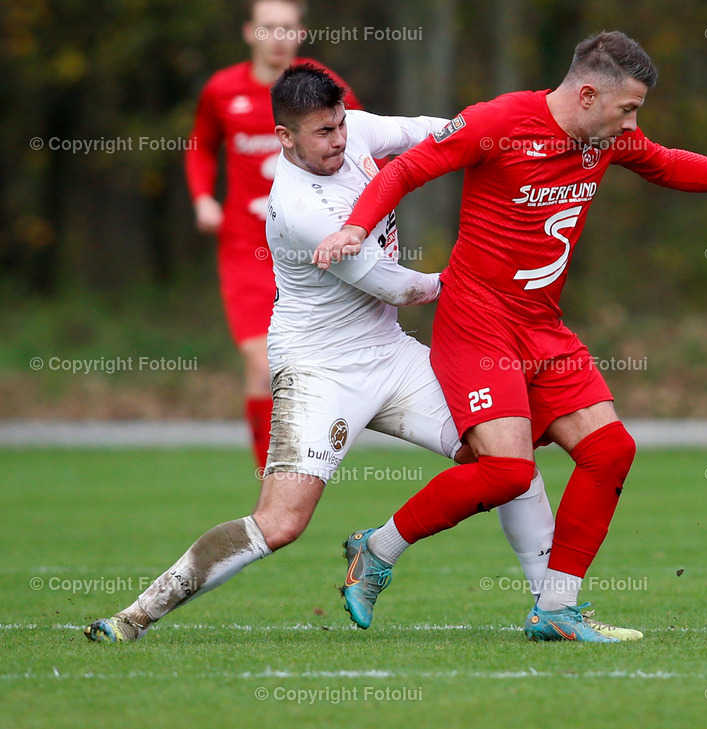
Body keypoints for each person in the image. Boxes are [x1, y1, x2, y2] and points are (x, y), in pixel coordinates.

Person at [315, 31, 707, 643]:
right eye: (628, 108)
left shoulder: (609, 138)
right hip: (479, 321)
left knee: (610, 452)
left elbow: (666, 162)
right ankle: (378, 549)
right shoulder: (498, 121)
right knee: (508, 474)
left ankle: (556, 610)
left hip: (541, 325)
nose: (634, 122)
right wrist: (357, 229)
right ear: (590, 93)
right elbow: (408, 169)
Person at [84, 64, 567, 642]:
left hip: (389, 352)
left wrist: (504, 139)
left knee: (505, 458)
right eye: (322, 131)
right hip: (319, 368)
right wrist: (466, 280)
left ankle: (554, 610)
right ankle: (136, 617)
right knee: (279, 524)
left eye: (339, 124)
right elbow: (394, 286)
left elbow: (425, 131)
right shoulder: (302, 209)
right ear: (285, 137)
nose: (338, 138)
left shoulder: (353, 129)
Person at [185, 0, 363, 469]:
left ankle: (311, 460)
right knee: (263, 364)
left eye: (287, 28)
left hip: (313, 250)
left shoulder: (325, 88)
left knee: (314, 366)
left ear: (300, 33)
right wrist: (204, 198)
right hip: (247, 247)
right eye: (268, 28)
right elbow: (200, 147)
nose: (278, 37)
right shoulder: (223, 90)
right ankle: (272, 473)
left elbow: (363, 148)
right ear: (250, 32)